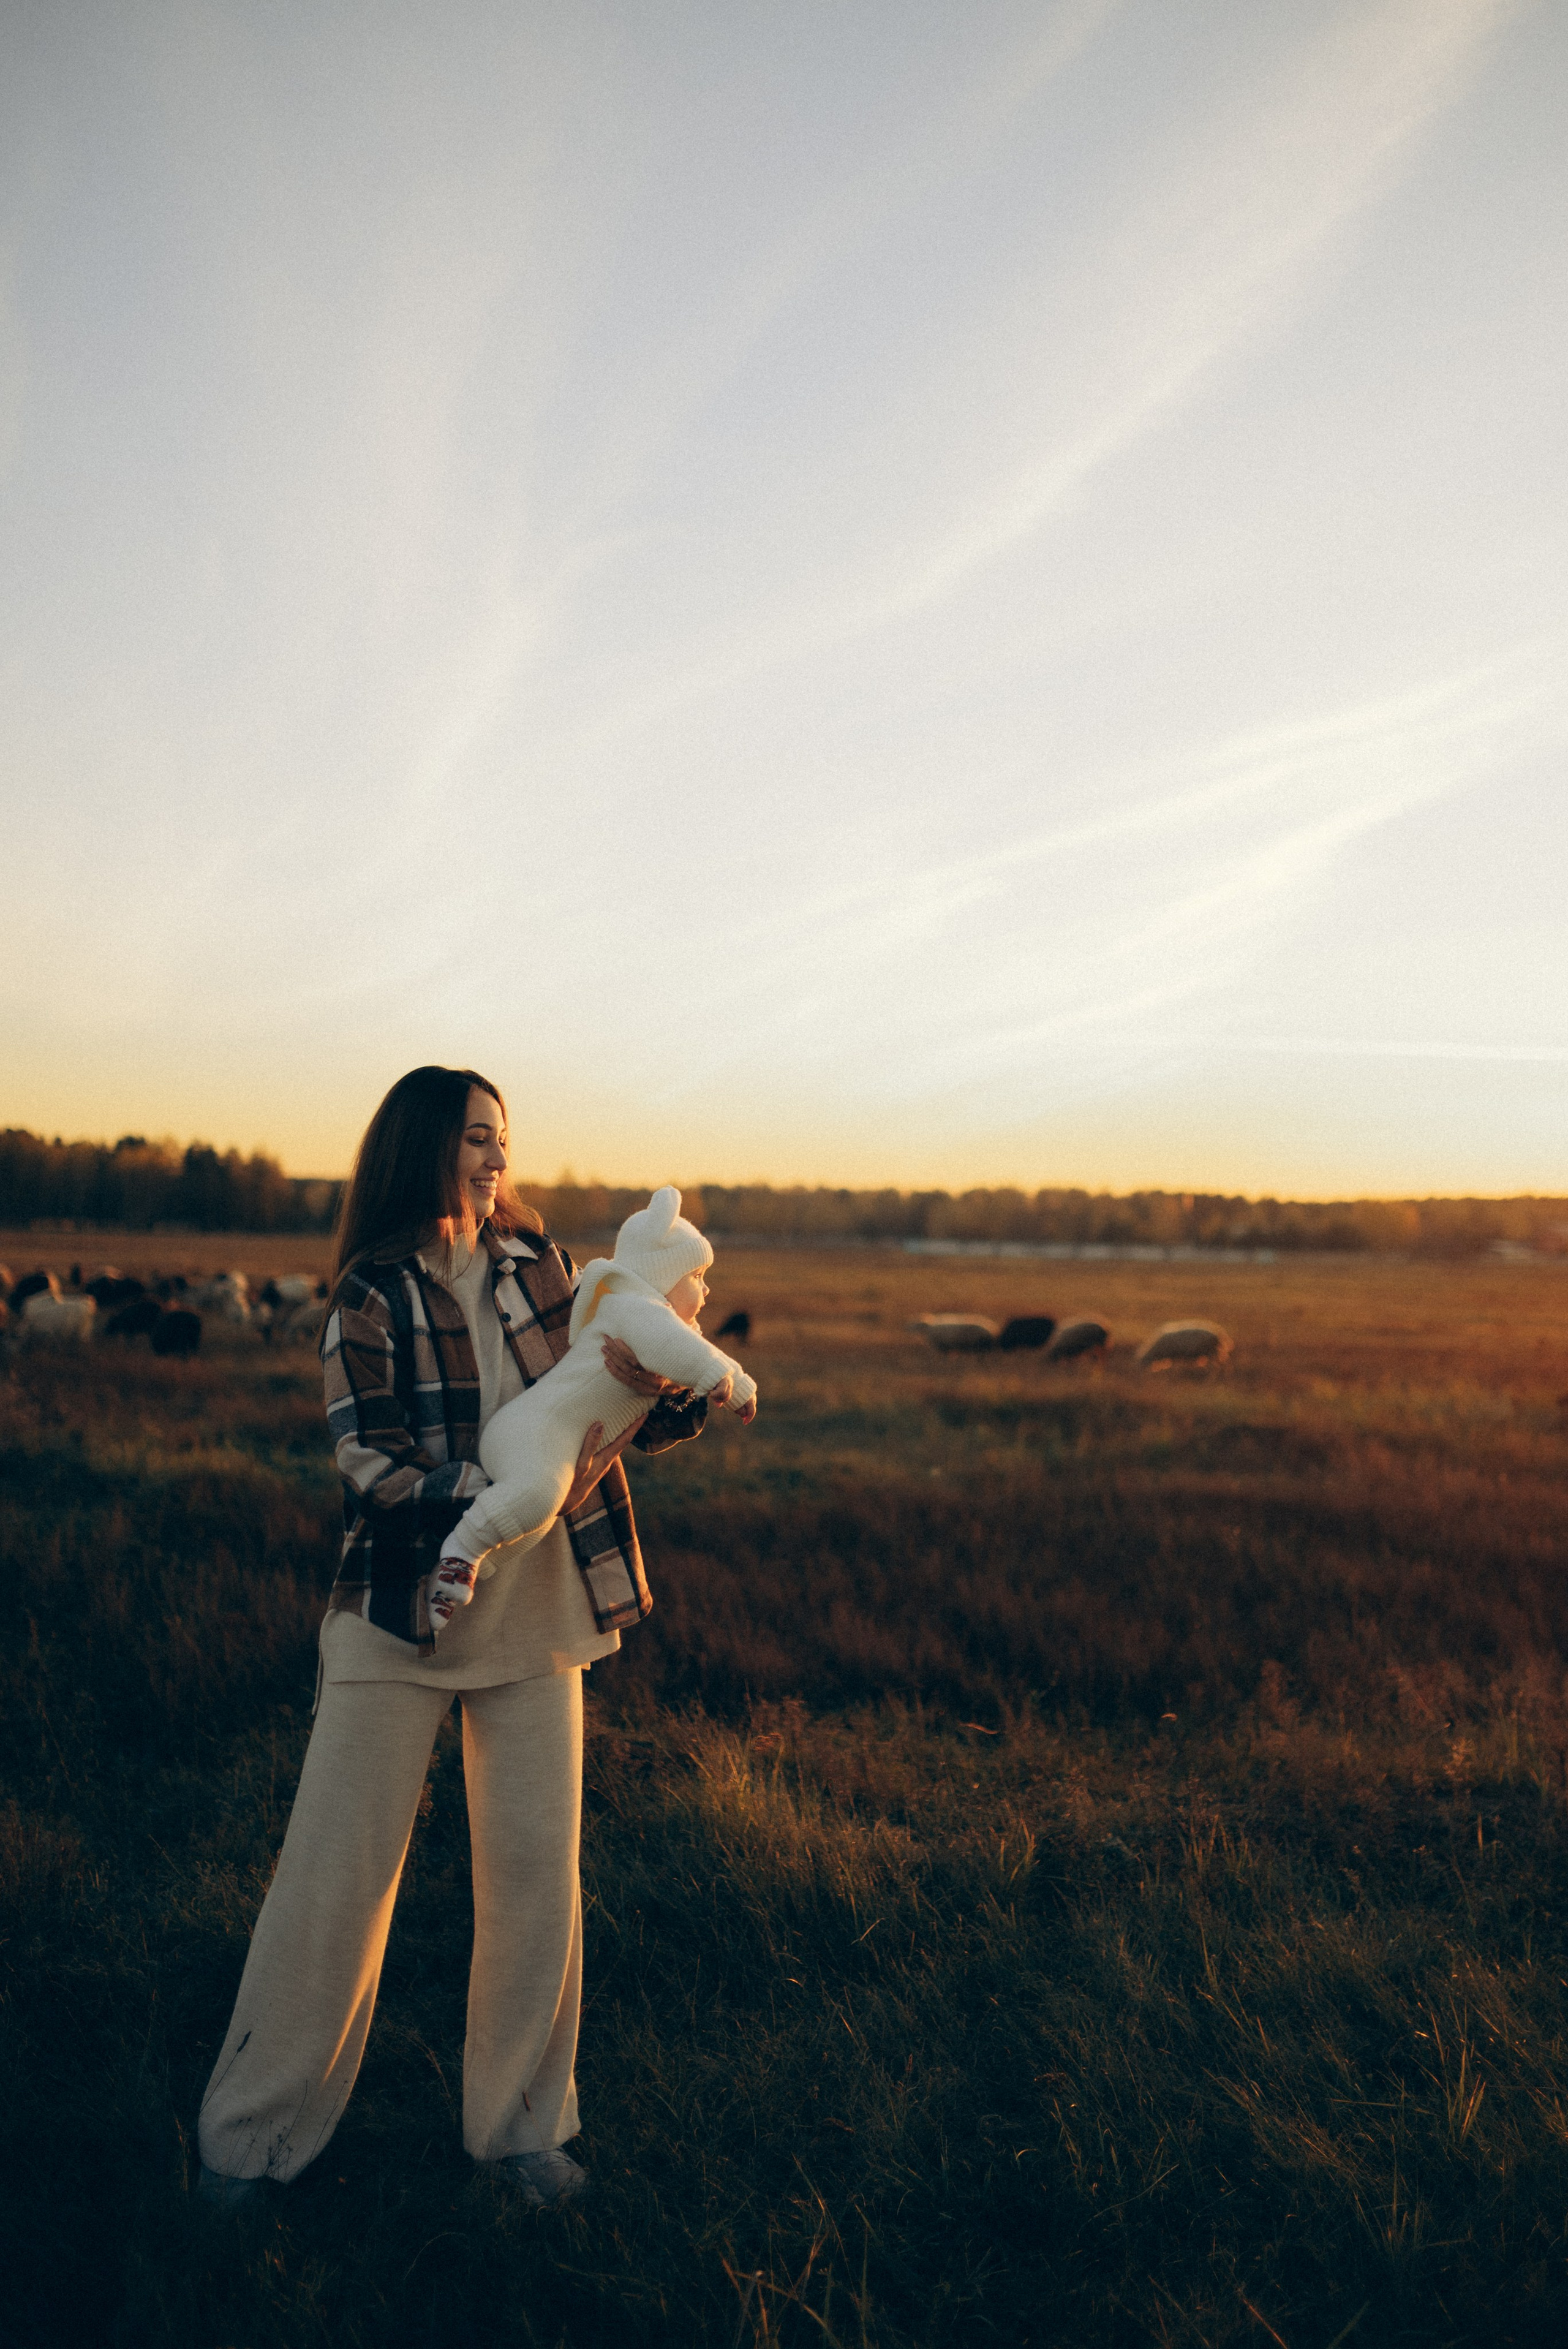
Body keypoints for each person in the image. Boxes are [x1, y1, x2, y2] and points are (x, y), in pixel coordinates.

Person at [197, 1066, 706, 2211]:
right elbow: (371, 1467)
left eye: (503, 1140)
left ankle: (522, 2130)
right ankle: (253, 2137)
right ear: (424, 1146)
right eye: (475, 1137)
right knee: (336, 1879)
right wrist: (496, 1494)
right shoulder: (368, 1293)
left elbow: (614, 1404)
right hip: (396, 1614)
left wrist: (665, 1381)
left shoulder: (553, 1271)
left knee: (536, 1880)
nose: (494, 1158)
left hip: (540, 1615)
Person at [426, 1186, 756, 1629]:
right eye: (696, 1275)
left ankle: (470, 1569)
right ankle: (461, 1551)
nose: (707, 1288)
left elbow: (697, 1353)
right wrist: (722, 1384)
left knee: (538, 1517)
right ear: (660, 1274)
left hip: (545, 1448)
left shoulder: (561, 1269)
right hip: (530, 1435)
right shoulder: (634, 1308)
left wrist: (740, 1385)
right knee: (541, 1496)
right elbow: (686, 1351)